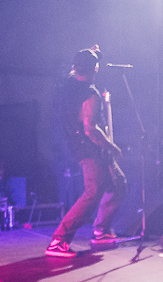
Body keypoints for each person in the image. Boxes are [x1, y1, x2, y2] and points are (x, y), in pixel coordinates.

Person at [45, 46, 126, 258]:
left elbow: (80, 64)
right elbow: (91, 129)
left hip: (83, 147)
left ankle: (101, 231)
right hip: (91, 150)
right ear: (96, 69)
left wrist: (91, 52)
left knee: (118, 183)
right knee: (92, 194)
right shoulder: (90, 94)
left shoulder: (68, 85)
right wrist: (112, 146)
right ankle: (59, 240)